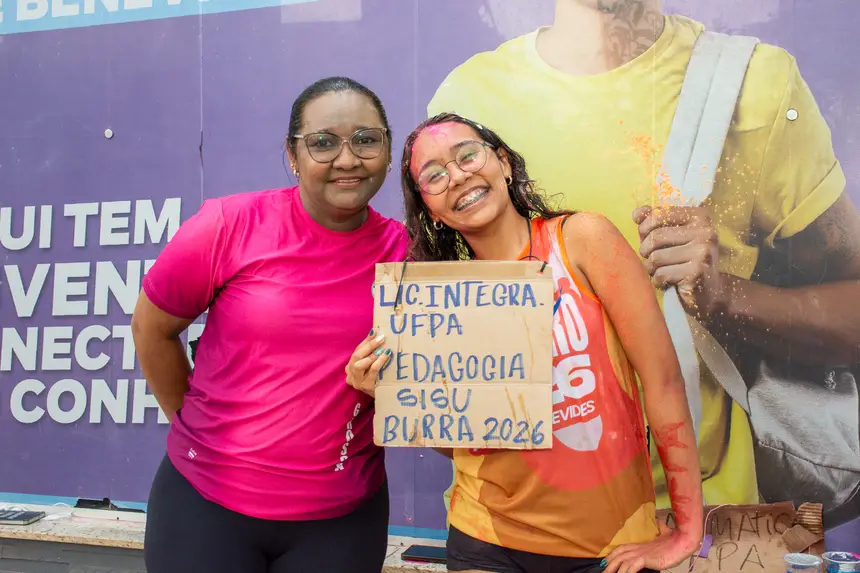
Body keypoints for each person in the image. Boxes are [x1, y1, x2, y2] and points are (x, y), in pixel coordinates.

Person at [426, 0, 860, 520]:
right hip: (516, 519)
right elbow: (459, 371)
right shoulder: (468, 102)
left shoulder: (752, 82)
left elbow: (851, 315)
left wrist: (724, 296)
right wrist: (403, 381)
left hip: (708, 521)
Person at [347, 113, 704, 573]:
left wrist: (688, 529)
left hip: (610, 543)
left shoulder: (582, 240)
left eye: (467, 155)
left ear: (504, 163)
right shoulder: (442, 305)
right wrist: (395, 396)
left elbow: (664, 382)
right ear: (430, 209)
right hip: (485, 538)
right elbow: (469, 440)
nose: (458, 176)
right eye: (434, 176)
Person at [131, 76, 408, 573]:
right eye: (323, 143)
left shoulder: (407, 255)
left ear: (388, 151)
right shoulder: (228, 224)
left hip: (343, 519)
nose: (347, 159)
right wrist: (198, 429)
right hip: (203, 507)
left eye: (366, 140)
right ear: (292, 155)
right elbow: (152, 330)